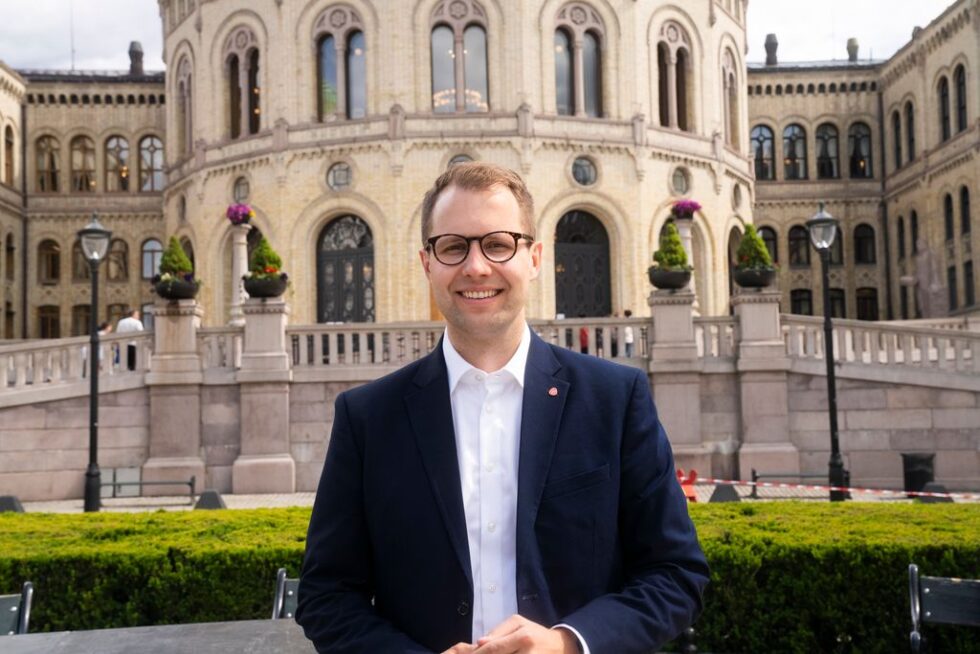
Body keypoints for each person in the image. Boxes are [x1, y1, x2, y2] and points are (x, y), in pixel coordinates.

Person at [297, 163, 708, 654]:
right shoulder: (367, 418)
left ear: (534, 258)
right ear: (427, 263)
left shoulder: (615, 400)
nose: (476, 267)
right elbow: (326, 595)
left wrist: (567, 643)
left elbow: (675, 573)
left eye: (498, 244)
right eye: (453, 246)